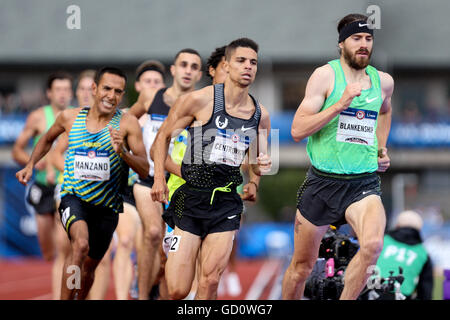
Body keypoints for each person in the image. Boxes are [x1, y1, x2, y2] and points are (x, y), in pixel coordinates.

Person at [282, 13, 394, 300]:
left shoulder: (382, 82)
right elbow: (297, 130)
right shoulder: (325, 76)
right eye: (356, 38)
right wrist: (341, 104)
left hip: (363, 184)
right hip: (322, 184)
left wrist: (381, 147)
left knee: (372, 246)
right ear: (342, 44)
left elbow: (385, 110)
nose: (363, 44)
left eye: (368, 39)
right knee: (301, 268)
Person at [150, 37, 272, 300]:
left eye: (253, 62)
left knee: (210, 279)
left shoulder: (259, 114)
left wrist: (254, 181)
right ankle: (171, 245)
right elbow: (161, 139)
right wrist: (160, 178)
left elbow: (259, 159)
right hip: (190, 199)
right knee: (178, 289)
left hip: (226, 203)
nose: (248, 66)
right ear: (226, 66)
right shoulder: (199, 101)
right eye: (241, 61)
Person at [16, 67, 149, 300]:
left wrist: (124, 153)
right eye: (107, 88)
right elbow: (47, 139)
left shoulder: (128, 125)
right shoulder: (70, 117)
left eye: (118, 92)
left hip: (108, 206)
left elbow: (145, 169)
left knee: (89, 268)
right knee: (80, 246)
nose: (111, 96)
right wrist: (30, 164)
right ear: (95, 89)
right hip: (73, 197)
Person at [128, 49, 203, 299]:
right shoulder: (152, 96)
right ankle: (142, 293)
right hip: (148, 179)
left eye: (194, 67)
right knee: (152, 233)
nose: (188, 70)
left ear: (199, 74)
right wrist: (132, 144)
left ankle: (155, 285)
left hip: (178, 180)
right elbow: (128, 119)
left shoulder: (200, 105)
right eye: (183, 65)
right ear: (173, 70)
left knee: (167, 250)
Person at [50, 69, 113, 300]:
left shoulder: (112, 120)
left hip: (103, 197)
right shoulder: (75, 122)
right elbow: (56, 155)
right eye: (83, 89)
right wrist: (74, 172)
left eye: (91, 88)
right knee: (69, 250)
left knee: (101, 257)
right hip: (71, 192)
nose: (87, 93)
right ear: (77, 93)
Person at [12, 71, 73, 299]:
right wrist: (33, 164)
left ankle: (61, 292)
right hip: (41, 188)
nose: (63, 94)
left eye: (67, 89)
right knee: (48, 251)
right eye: (59, 89)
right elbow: (18, 149)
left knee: (63, 249)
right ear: (49, 93)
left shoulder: (75, 118)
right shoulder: (38, 117)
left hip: (63, 185)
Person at [374, 210, 433, 300]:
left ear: (397, 225)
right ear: (419, 230)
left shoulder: (381, 240)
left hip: (372, 292)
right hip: (401, 296)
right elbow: (425, 291)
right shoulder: (423, 253)